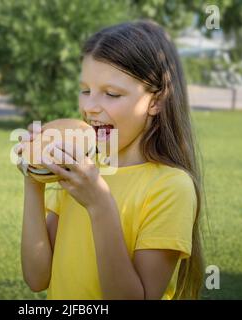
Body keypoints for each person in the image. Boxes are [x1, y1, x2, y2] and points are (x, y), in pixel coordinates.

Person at [14, 20, 204, 300]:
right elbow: (37, 277)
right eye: (85, 90)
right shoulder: (82, 168)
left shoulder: (171, 187)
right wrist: (35, 176)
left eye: (112, 94)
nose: (90, 107)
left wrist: (99, 204)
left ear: (156, 101)